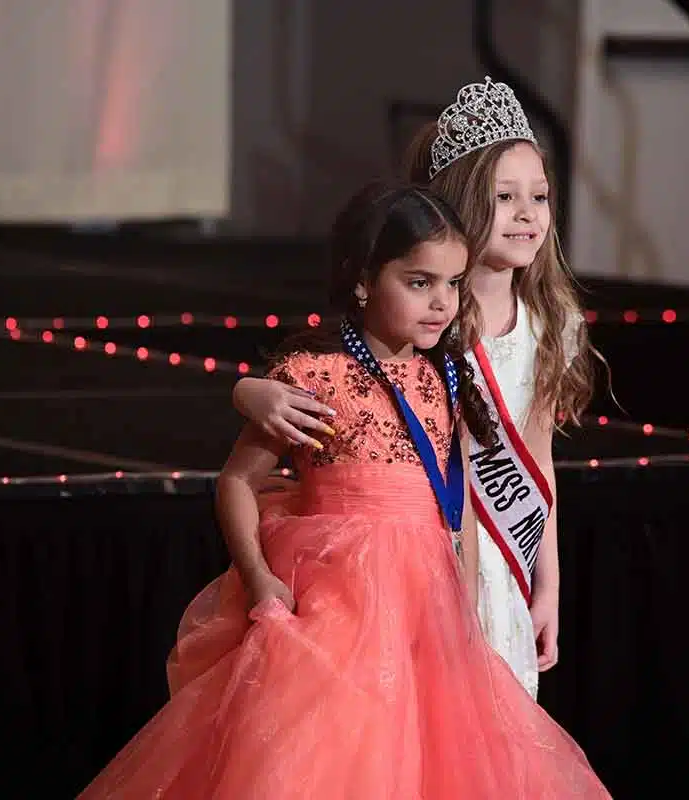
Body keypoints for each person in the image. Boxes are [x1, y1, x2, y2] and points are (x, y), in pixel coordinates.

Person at [76, 180, 611, 798]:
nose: (441, 303)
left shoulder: (447, 376)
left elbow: (456, 502)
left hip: (428, 615)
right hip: (335, 609)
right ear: (363, 281)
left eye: (453, 284)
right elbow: (238, 481)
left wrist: (465, 607)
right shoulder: (316, 377)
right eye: (419, 283)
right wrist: (259, 578)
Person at [232, 77, 597, 699]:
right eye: (505, 197)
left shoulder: (549, 324)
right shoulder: (431, 320)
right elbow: (334, 365)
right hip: (418, 556)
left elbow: (537, 463)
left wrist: (548, 586)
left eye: (540, 196)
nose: (528, 213)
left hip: (502, 555)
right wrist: (246, 389)